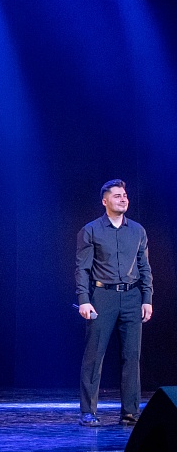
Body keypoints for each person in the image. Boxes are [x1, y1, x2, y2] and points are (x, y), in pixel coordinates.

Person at [75, 179, 153, 427]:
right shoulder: (90, 230)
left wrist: (147, 299)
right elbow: (82, 269)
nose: (123, 199)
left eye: (125, 195)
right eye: (117, 195)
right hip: (102, 297)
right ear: (105, 201)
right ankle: (88, 411)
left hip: (131, 297)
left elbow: (144, 267)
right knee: (94, 355)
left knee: (132, 356)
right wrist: (84, 300)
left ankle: (130, 413)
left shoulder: (137, 230)